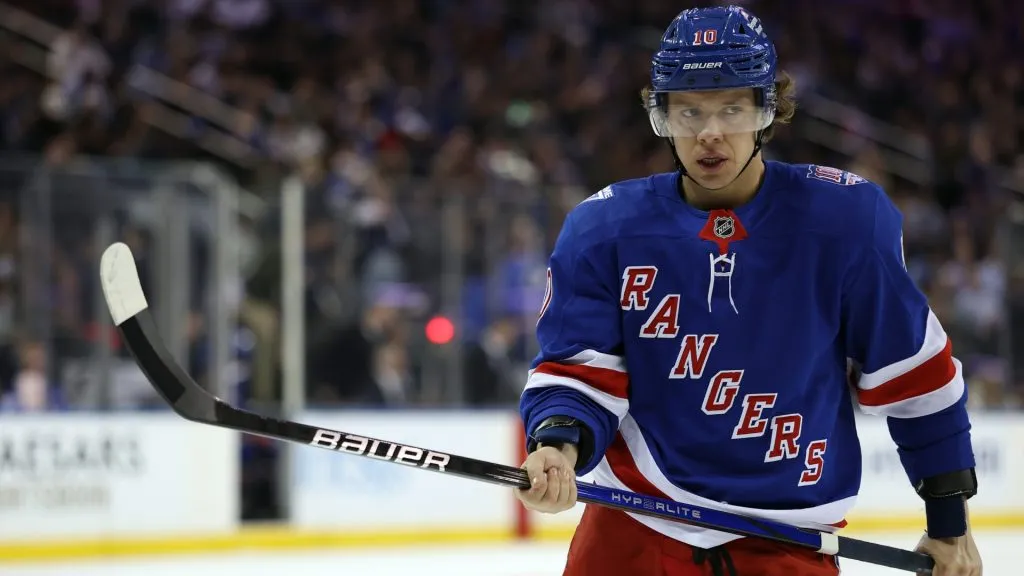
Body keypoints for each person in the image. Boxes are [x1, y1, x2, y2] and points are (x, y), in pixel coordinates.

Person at [515, 6, 983, 576]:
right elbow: (579, 376)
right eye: (689, 111)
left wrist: (950, 525)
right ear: (662, 116)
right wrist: (556, 448)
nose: (709, 132)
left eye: (731, 109)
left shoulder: (845, 223)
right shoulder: (603, 229)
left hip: (788, 541)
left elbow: (916, 378)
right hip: (636, 528)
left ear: (767, 110)